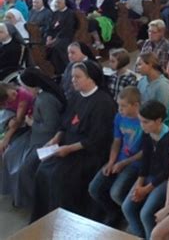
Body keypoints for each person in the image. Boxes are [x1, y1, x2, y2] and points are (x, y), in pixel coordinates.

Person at [31, 60, 116, 221]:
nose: (73, 80)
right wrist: (55, 138)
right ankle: (44, 217)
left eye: (77, 77)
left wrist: (68, 149)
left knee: (59, 178)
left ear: (91, 78)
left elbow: (98, 139)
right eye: (72, 77)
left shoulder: (104, 103)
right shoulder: (76, 96)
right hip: (67, 145)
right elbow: (65, 122)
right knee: (42, 169)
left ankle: (65, 221)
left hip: (88, 152)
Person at [1, 68, 65, 208]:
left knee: (24, 169)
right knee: (10, 154)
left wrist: (31, 123)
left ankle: (33, 203)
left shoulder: (46, 100)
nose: (22, 89)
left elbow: (51, 128)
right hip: (34, 135)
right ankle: (18, 195)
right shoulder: (40, 97)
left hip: (44, 140)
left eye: (24, 86)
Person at [89, 87, 144, 227]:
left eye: (123, 106)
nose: (119, 109)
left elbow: (145, 152)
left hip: (134, 164)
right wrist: (111, 162)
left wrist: (124, 163)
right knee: (94, 188)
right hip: (119, 159)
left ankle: (129, 216)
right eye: (118, 105)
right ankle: (114, 213)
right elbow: (116, 141)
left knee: (116, 193)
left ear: (136, 105)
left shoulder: (143, 121)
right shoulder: (119, 117)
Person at [119, 100, 169, 239]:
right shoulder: (147, 133)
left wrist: (146, 189)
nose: (142, 125)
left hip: (164, 180)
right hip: (149, 176)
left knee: (146, 213)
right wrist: (139, 184)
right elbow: (145, 160)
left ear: (159, 120)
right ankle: (140, 236)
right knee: (127, 207)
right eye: (141, 121)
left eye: (146, 122)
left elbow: (167, 171)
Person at [0, 82, 35, 154]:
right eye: (9, 100)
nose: (13, 97)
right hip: (18, 116)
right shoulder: (5, 101)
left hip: (28, 116)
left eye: (12, 94)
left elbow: (18, 121)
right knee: (5, 116)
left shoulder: (22, 94)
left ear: (7, 87)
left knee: (11, 123)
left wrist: (5, 139)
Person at [46, 0, 77, 74]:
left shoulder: (70, 13)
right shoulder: (55, 13)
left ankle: (62, 70)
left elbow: (67, 29)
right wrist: (49, 38)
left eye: (59, 3)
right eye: (56, 2)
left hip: (64, 36)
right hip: (54, 37)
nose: (57, 4)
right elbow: (50, 27)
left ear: (64, 3)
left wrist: (54, 40)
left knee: (56, 47)